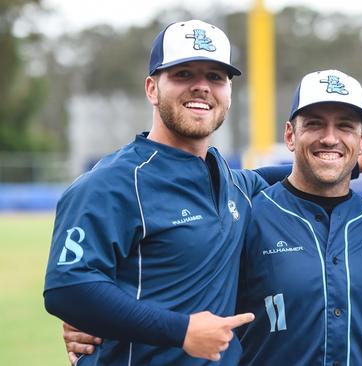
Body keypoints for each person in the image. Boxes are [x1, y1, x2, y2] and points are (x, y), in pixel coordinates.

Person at [43, 19, 289, 365]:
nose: (202, 87)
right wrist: (182, 330)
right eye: (184, 74)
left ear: (229, 94)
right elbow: (67, 289)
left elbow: (291, 176)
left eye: (216, 77)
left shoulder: (234, 185)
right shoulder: (113, 183)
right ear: (152, 88)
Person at [234, 69, 362, 365]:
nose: (330, 138)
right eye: (315, 124)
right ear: (290, 134)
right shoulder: (248, 220)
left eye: (345, 126)